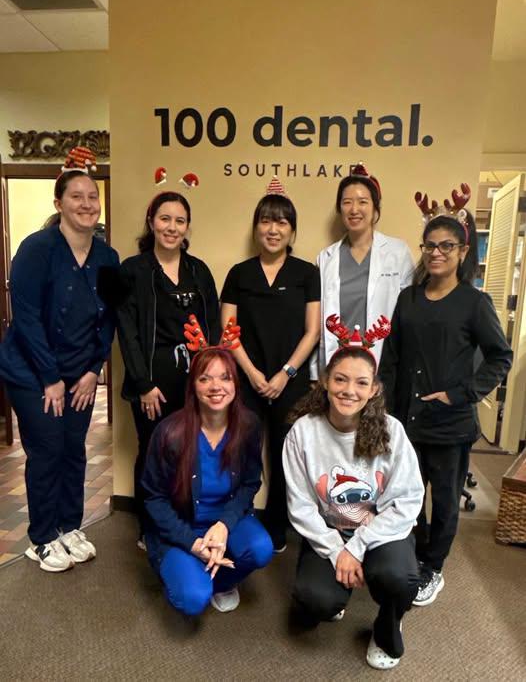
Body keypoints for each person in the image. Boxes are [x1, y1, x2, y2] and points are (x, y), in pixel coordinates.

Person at [378, 185, 513, 606]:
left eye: (446, 246)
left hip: (449, 423)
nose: (436, 253)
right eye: (430, 246)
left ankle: (433, 567)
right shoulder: (408, 299)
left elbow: (500, 356)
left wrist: (461, 394)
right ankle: (414, 554)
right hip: (406, 418)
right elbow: (390, 357)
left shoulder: (474, 303)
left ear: (462, 250)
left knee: (445, 500)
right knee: (407, 494)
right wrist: (385, 407)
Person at [0, 150, 119, 572]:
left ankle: (69, 526)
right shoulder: (36, 249)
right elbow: (26, 317)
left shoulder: (107, 257)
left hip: (79, 372)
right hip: (31, 371)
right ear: (59, 203)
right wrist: (50, 378)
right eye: (76, 197)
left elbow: (109, 316)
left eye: (92, 196)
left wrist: (93, 369)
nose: (87, 204)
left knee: (73, 449)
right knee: (48, 448)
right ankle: (42, 537)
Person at [283, 318, 424, 670]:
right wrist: (336, 551)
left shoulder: (391, 431)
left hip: (379, 532)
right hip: (329, 530)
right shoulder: (303, 433)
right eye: (340, 379)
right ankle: (334, 594)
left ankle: (387, 626)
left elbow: (407, 501)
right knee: (315, 600)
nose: (349, 390)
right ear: (325, 381)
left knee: (399, 579)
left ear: (374, 389)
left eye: (361, 382)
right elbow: (301, 506)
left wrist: (357, 547)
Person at [141, 319, 273, 616]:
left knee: (260, 549)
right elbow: (153, 498)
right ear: (193, 385)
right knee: (192, 600)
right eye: (205, 379)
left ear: (235, 384)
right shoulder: (170, 432)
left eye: (225, 378)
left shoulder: (249, 425)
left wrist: (224, 525)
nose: (216, 387)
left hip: (225, 522)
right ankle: (194, 570)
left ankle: (219, 580)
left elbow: (250, 483)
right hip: (182, 527)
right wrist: (192, 543)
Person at [221, 179, 320, 552]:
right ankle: (237, 522)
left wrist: (285, 374)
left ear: (292, 230)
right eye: (265, 221)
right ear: (255, 227)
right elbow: (228, 332)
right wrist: (253, 374)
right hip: (246, 380)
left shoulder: (306, 273)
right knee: (241, 454)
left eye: (281, 222)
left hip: (290, 382)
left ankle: (278, 528)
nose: (273, 229)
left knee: (284, 457)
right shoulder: (239, 273)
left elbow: (313, 332)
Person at [115, 190, 220, 543]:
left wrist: (212, 378)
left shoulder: (199, 270)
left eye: (179, 220)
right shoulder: (131, 270)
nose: (172, 227)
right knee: (152, 451)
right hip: (153, 385)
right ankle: (149, 529)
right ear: (151, 222)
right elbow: (126, 332)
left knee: (190, 452)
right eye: (165, 219)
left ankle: (183, 524)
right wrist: (143, 384)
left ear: (187, 226)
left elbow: (213, 325)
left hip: (195, 383)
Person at [312, 163, 414, 378]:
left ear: (375, 208)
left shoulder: (397, 252)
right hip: (338, 364)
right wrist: (315, 373)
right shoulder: (325, 258)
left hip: (383, 363)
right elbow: (317, 321)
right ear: (339, 209)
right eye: (346, 202)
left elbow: (410, 313)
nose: (354, 209)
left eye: (363, 202)